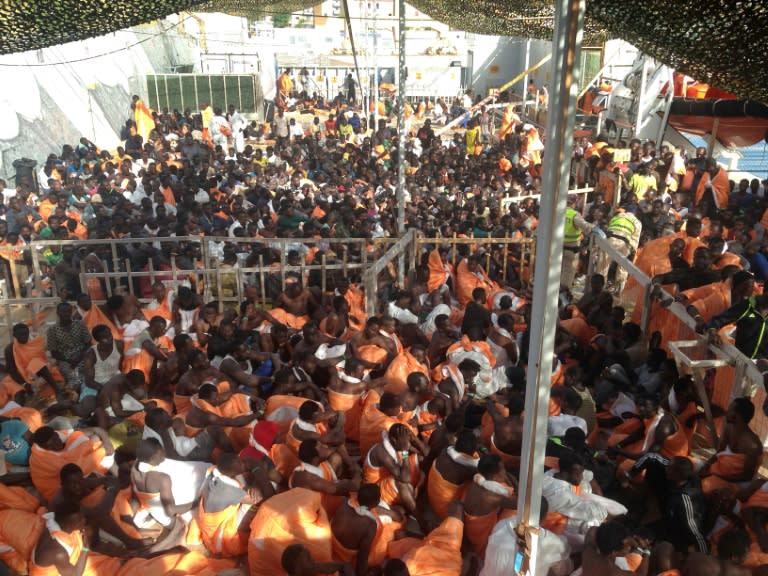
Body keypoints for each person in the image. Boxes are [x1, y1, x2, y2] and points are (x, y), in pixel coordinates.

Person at [196, 453, 260, 557]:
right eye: (240, 463)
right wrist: (257, 469)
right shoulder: (227, 490)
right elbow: (255, 499)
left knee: (244, 482)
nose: (243, 463)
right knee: (251, 505)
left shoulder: (214, 471)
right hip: (218, 536)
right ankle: (242, 530)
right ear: (232, 471)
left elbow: (239, 478)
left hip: (210, 519)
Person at [699, 397, 762, 494]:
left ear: (736, 416)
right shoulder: (729, 428)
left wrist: (715, 475)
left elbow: (746, 477)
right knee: (692, 468)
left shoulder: (753, 445)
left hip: (739, 483)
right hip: (720, 471)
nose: (726, 412)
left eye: (729, 409)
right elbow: (719, 452)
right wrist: (707, 465)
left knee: (705, 487)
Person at [462, 454, 516, 556]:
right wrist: (514, 482)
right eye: (503, 469)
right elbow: (519, 504)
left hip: (472, 522)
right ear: (494, 477)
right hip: (480, 535)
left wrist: (506, 478)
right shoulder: (492, 496)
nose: (505, 471)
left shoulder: (480, 477)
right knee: (515, 512)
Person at [427, 429, 478, 520]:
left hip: (431, 498)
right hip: (444, 510)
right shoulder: (465, 470)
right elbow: (483, 470)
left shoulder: (444, 451)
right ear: (472, 451)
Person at [46, 302, 91, 394]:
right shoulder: (52, 330)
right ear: (58, 313)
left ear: (71, 312)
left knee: (89, 374)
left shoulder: (80, 324)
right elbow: (53, 352)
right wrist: (69, 360)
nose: (66, 313)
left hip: (83, 355)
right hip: (65, 360)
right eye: (63, 311)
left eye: (68, 311)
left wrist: (79, 357)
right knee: (74, 379)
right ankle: (76, 397)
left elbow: (88, 343)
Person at [580, 522, 651, 576]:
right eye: (628, 546)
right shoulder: (613, 572)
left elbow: (593, 529)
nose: (630, 547)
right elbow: (641, 574)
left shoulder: (589, 551)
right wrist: (647, 552)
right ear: (614, 552)